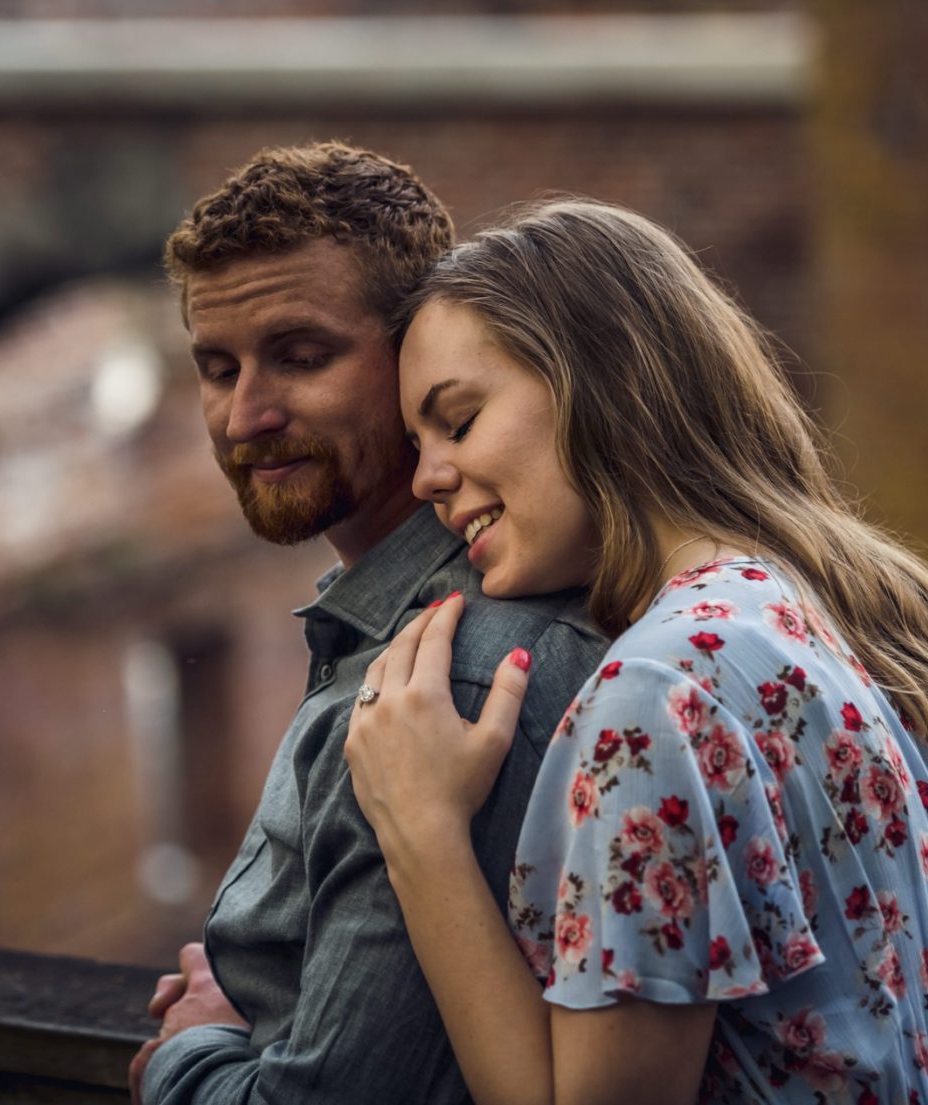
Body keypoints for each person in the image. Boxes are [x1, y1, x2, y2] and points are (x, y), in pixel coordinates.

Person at [343, 199, 928, 1105]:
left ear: (602, 379)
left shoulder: (658, 693)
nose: (425, 478)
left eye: (459, 419)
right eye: (417, 442)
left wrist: (420, 829)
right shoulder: (869, 613)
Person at [129, 147, 609, 1104]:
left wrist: (192, 1047)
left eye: (302, 358)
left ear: (416, 353)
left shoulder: (455, 680)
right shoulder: (379, 627)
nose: (246, 415)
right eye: (218, 369)